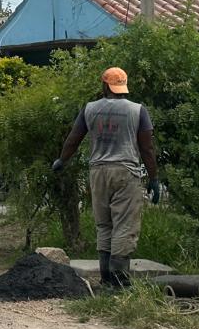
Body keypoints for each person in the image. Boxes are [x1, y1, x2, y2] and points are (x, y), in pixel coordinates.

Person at [52, 67, 160, 288]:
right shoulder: (138, 110)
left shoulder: (89, 109)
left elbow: (74, 138)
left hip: (98, 171)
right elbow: (147, 148)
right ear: (124, 86)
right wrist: (154, 178)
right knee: (124, 225)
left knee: (104, 225)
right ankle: (120, 282)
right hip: (125, 172)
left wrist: (62, 161)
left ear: (104, 86)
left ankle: (106, 278)